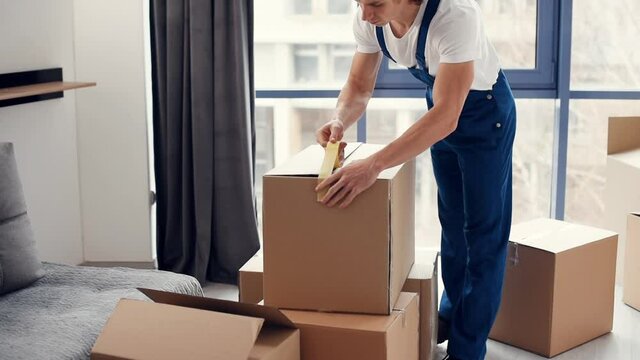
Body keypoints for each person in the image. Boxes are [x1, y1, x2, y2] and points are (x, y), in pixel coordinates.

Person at [314, 0, 516, 359]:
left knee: (483, 237)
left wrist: (374, 166)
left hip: (483, 116)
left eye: (374, 3)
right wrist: (340, 121)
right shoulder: (371, 20)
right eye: (359, 2)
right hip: (440, 110)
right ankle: (452, 316)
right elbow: (359, 85)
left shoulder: (454, 17)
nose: (364, 13)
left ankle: (468, 350)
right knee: (453, 226)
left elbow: (448, 115)